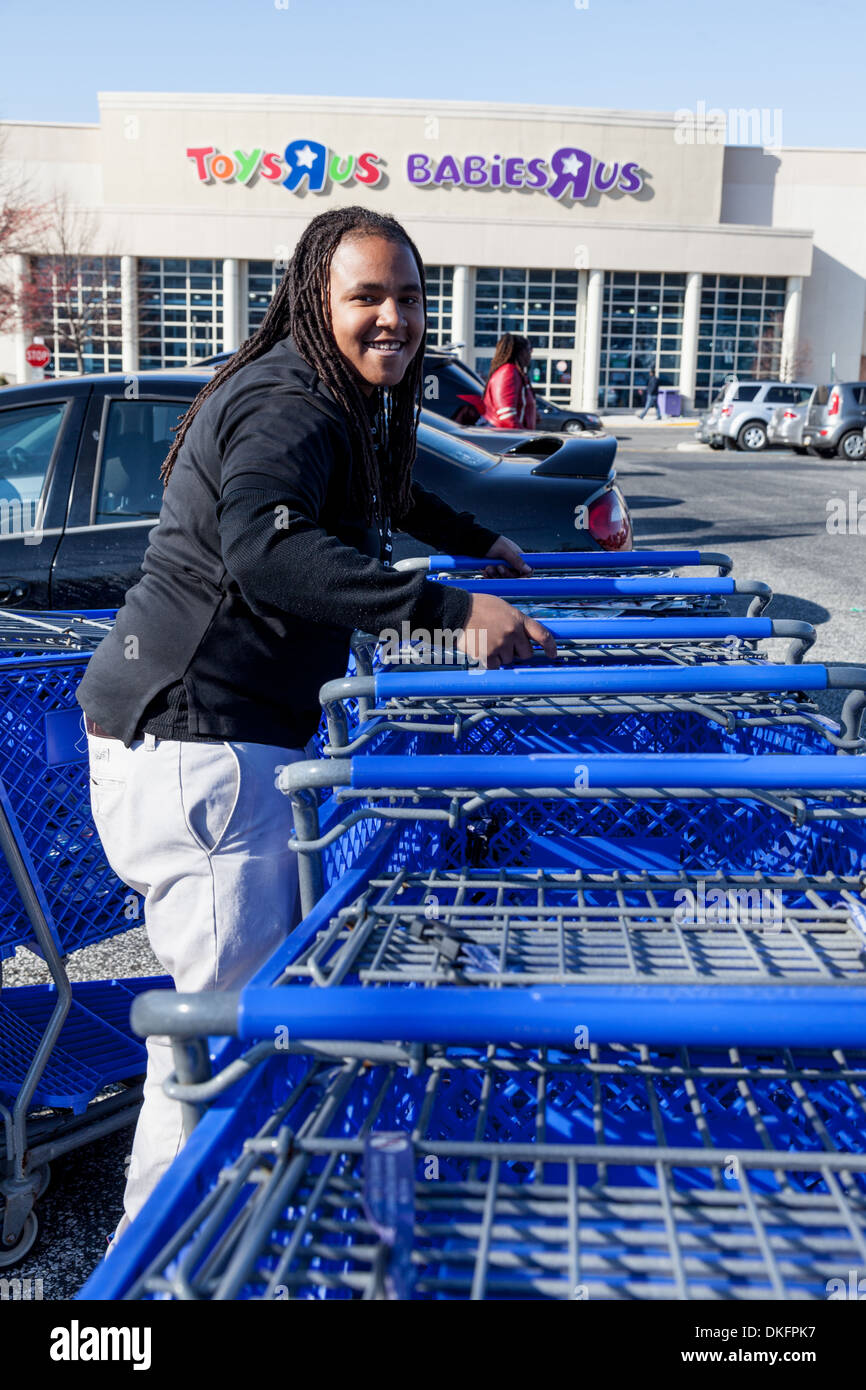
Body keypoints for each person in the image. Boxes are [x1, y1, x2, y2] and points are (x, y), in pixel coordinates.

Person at [75, 206, 556, 1252]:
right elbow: (265, 549)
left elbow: (382, 494)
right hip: (202, 742)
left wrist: (477, 539)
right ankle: (149, 1277)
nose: (393, 318)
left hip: (216, 734)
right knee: (214, 1033)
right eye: (366, 298)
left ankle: (217, 1231)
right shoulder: (290, 402)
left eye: (409, 297)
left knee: (239, 1014)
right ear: (312, 299)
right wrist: (445, 609)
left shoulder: (339, 398)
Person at [481, 332, 537, 429]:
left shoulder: (517, 373)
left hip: (507, 436)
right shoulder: (508, 372)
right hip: (504, 438)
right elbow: (507, 415)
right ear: (520, 352)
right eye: (529, 350)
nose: (531, 354)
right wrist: (524, 436)